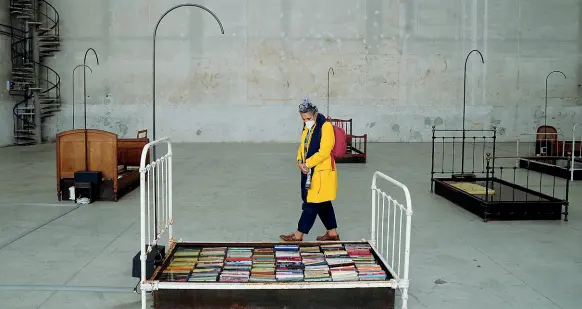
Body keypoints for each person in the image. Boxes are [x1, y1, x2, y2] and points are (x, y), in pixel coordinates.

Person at [280, 99, 340, 242]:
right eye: (303, 119)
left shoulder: (326, 127)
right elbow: (303, 147)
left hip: (321, 173)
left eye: (308, 118)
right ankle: (332, 234)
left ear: (315, 114)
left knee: (311, 203)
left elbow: (325, 151)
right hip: (309, 170)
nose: (306, 121)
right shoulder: (308, 127)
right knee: (323, 203)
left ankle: (298, 235)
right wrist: (299, 161)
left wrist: (308, 163)